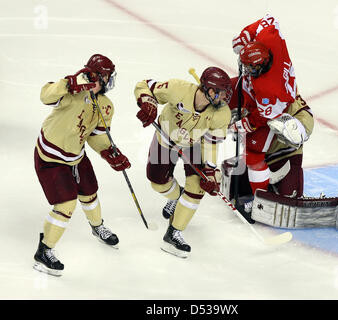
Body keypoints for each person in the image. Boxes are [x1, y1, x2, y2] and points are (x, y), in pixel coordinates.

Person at [222, 14, 338, 232]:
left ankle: (259, 197)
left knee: (255, 153)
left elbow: (262, 118)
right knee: (228, 92)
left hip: (279, 111)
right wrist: (247, 35)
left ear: (261, 67)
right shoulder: (271, 41)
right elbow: (268, 20)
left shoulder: (271, 91)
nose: (247, 72)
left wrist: (241, 125)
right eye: (246, 67)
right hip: (278, 111)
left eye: (251, 70)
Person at [33, 54, 131, 276]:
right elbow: (45, 96)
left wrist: (109, 152)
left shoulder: (106, 105)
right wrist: (67, 83)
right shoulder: (71, 91)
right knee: (66, 205)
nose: (110, 81)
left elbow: (96, 136)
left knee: (90, 193)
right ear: (97, 76)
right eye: (107, 76)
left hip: (76, 157)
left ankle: (97, 227)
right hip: (51, 159)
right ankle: (44, 250)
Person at [134, 67, 232, 258]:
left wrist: (210, 171)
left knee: (197, 187)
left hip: (195, 144)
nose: (224, 98)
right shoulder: (177, 88)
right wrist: (147, 103)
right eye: (221, 93)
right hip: (166, 136)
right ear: (210, 91)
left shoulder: (222, 113)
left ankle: (174, 233)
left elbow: (212, 144)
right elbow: (144, 85)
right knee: (157, 182)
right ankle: (177, 197)